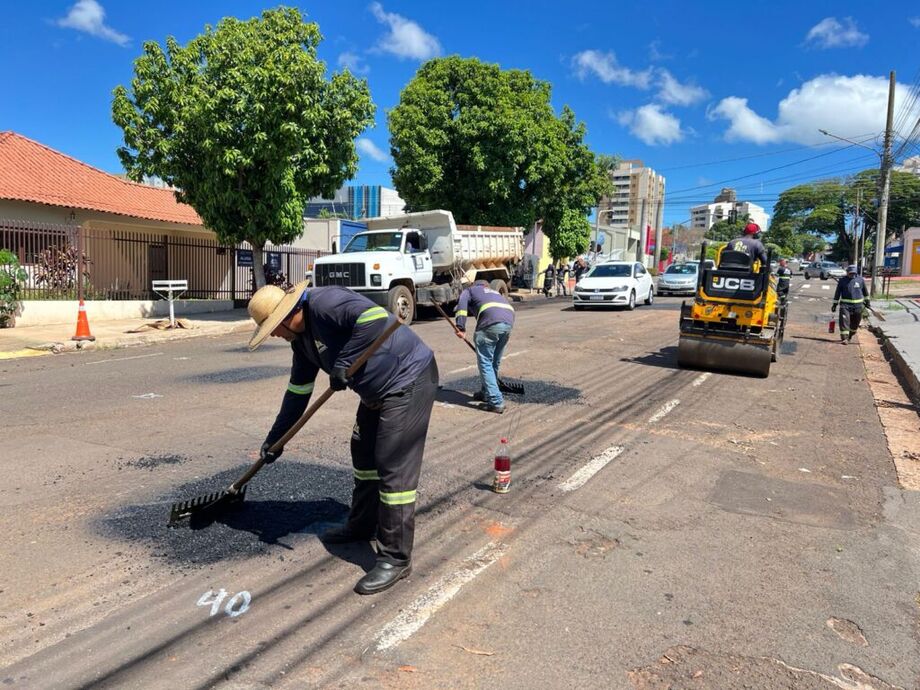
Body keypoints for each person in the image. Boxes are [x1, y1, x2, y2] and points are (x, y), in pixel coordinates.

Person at [248, 282, 439, 595]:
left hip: (409, 379)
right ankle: (362, 524)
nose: (274, 335)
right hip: (377, 393)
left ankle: (396, 556)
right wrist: (274, 441)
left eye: (274, 328)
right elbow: (297, 395)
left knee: (393, 464)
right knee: (362, 454)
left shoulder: (325, 303)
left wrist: (342, 364)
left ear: (290, 314)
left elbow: (376, 319)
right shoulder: (302, 345)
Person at [455, 279, 515, 414]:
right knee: (493, 362)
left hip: (490, 322)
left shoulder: (469, 291)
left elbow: (461, 307)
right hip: (508, 321)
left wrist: (461, 327)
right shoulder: (493, 292)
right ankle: (486, 392)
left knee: (486, 364)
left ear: (474, 285)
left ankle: (496, 401)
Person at [832, 265, 870, 345]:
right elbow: (837, 293)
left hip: (858, 306)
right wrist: (834, 304)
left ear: (856, 273)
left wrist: (867, 302)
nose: (852, 275)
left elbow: (865, 293)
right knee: (844, 321)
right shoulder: (842, 281)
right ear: (847, 272)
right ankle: (845, 338)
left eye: (853, 273)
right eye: (850, 273)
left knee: (855, 324)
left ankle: (850, 336)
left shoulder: (860, 280)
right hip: (845, 306)